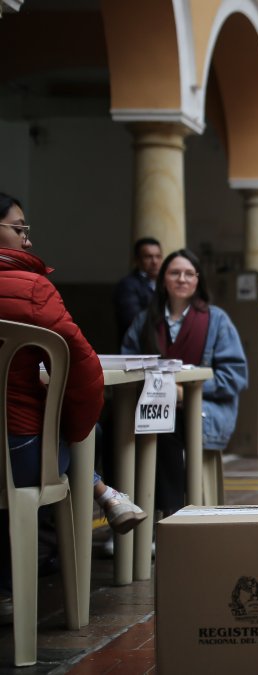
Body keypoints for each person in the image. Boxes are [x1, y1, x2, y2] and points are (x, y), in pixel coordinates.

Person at [0, 192, 146, 594]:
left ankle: (7, 585)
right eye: (19, 229)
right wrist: (74, 426)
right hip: (18, 452)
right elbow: (84, 371)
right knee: (83, 436)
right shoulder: (33, 290)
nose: (28, 240)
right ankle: (105, 494)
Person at [122, 249, 248, 516]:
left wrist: (185, 393)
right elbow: (127, 364)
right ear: (163, 279)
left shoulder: (217, 320)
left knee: (165, 428)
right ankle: (123, 510)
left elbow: (235, 377)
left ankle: (171, 515)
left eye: (189, 273)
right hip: (150, 405)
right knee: (114, 426)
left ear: (198, 280)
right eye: (175, 273)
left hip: (201, 410)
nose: (182, 279)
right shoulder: (145, 320)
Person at [113, 237, 162, 344]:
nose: (155, 261)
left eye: (158, 256)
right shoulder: (127, 285)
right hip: (137, 347)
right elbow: (133, 320)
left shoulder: (164, 283)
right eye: (148, 257)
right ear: (137, 260)